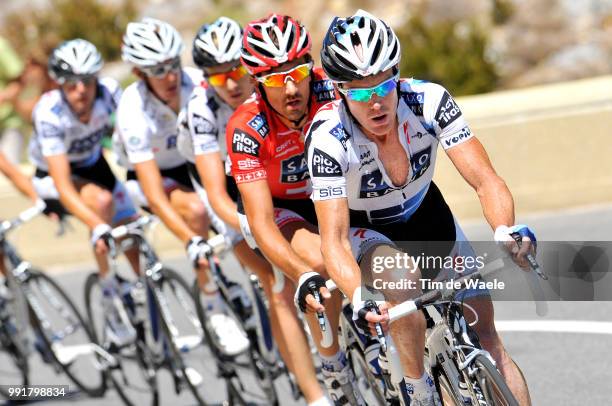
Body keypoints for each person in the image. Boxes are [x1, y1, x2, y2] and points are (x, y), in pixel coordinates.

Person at [306, 9, 534, 405]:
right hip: (369, 231)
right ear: (339, 89)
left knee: (487, 336)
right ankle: (418, 387)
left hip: (427, 214)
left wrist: (505, 230)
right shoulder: (328, 138)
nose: (376, 102)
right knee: (403, 283)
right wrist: (360, 297)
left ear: (398, 73)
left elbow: (485, 180)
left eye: (384, 85)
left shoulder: (429, 101)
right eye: (360, 92)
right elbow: (334, 241)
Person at [226, 13, 365, 405]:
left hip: (330, 190)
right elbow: (262, 223)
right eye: (273, 78)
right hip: (279, 207)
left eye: (297, 72)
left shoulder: (331, 88)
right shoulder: (246, 126)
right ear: (256, 82)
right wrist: (301, 275)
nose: (289, 88)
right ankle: (333, 365)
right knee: (321, 264)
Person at [115, 17, 248, 356]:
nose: (170, 76)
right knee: (196, 211)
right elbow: (155, 194)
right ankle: (213, 304)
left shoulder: (197, 83)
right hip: (154, 175)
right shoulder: (132, 107)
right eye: (157, 70)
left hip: (197, 160)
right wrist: (191, 242)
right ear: (139, 73)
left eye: (173, 64)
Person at [28, 38, 140, 346]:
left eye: (87, 81)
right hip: (54, 176)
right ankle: (110, 296)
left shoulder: (109, 93)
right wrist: (98, 225)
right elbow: (63, 183)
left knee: (132, 233)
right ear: (60, 84)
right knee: (101, 207)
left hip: (93, 164)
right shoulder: (50, 111)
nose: (81, 90)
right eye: (72, 84)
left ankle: (149, 296)